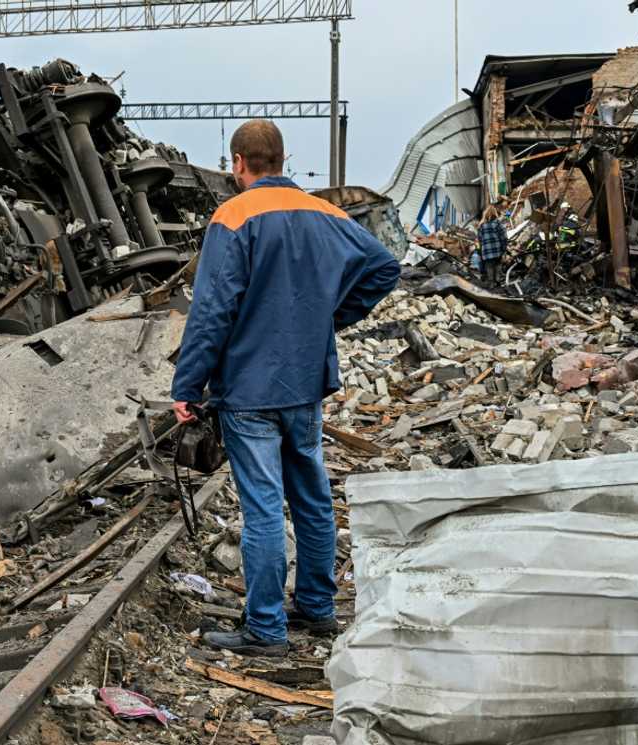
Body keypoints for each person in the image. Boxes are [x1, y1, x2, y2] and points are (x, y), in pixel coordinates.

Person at [171, 120, 400, 657]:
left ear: (238, 163)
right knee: (312, 496)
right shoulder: (326, 213)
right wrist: (327, 319)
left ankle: (266, 628)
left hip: (250, 388)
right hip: (305, 382)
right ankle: (318, 608)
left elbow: (212, 310)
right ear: (282, 159)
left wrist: (188, 384)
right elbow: (384, 266)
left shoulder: (232, 217)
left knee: (264, 507)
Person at [477, 204, 508, 285]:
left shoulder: (481, 225)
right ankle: (497, 280)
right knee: (498, 264)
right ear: (495, 213)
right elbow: (504, 236)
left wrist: (482, 249)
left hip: (486, 251)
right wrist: (504, 247)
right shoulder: (497, 223)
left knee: (489, 266)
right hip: (497, 249)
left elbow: (480, 239)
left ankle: (491, 282)